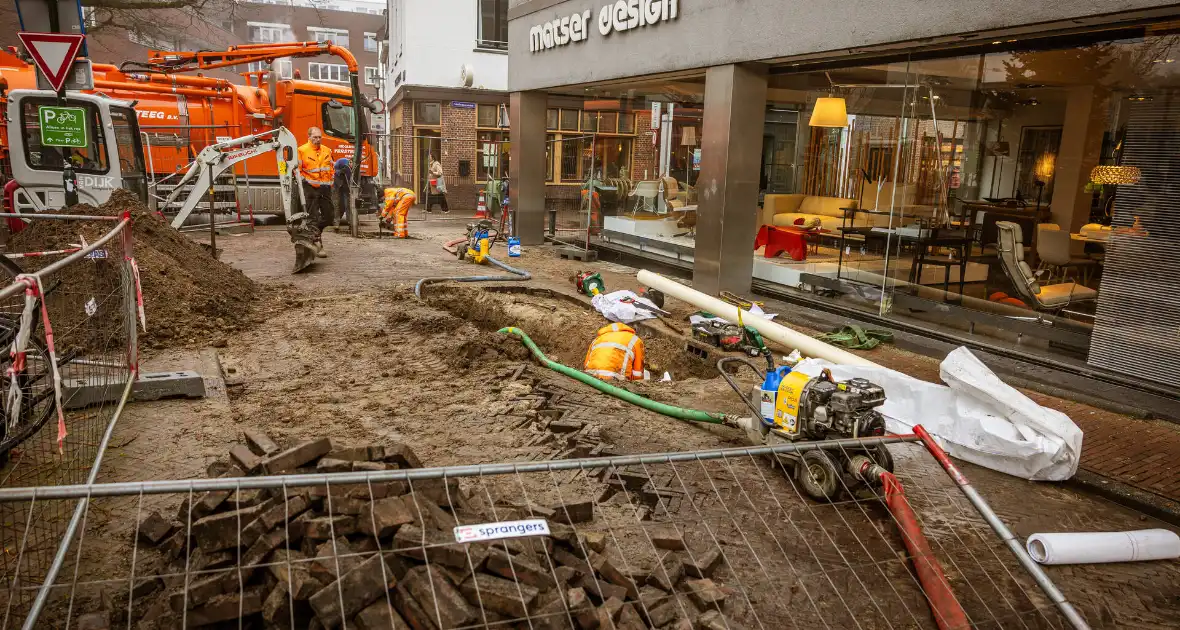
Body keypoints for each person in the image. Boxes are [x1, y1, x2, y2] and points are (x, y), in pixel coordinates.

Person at [297, 127, 334, 256]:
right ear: (309, 137)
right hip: (310, 188)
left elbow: (331, 167)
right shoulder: (302, 150)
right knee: (312, 217)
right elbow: (297, 170)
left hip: (325, 188)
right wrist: (305, 183)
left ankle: (314, 234)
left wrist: (331, 181)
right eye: (315, 137)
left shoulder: (327, 151)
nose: (317, 140)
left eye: (319, 137)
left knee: (329, 216)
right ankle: (318, 244)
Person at [333, 157, 352, 227]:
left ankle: (350, 221)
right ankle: (336, 222)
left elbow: (350, 179)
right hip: (338, 185)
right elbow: (335, 171)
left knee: (348, 204)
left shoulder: (352, 168)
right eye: (351, 164)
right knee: (337, 204)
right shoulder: (343, 163)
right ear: (350, 162)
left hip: (346, 187)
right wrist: (340, 172)